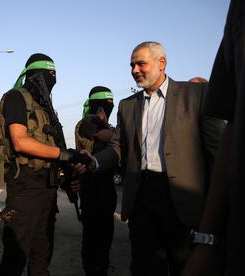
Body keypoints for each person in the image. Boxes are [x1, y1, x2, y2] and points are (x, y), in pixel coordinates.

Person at [79, 41, 225, 276]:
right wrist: (95, 161)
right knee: (144, 267)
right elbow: (118, 147)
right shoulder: (128, 106)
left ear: (162, 63)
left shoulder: (196, 95)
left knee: (185, 266)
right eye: (132, 65)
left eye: (141, 63)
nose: (135, 70)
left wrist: (220, 205)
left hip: (183, 201)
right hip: (142, 200)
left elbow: (217, 151)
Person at [0, 53, 75, 276]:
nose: (50, 80)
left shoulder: (46, 110)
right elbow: (20, 142)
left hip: (47, 187)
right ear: (31, 76)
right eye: (46, 75)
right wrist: (63, 154)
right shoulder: (16, 98)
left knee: (42, 254)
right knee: (15, 256)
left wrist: (69, 173)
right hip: (25, 186)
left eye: (54, 75)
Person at [182, 1, 245, 275]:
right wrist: (207, 239)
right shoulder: (237, 13)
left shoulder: (194, 101)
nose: (135, 70)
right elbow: (229, 140)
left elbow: (215, 144)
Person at [74, 86, 117, 275]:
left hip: (107, 190)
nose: (108, 108)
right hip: (91, 189)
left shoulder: (107, 126)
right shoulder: (86, 124)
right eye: (105, 104)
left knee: (105, 238)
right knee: (92, 240)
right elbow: (111, 138)